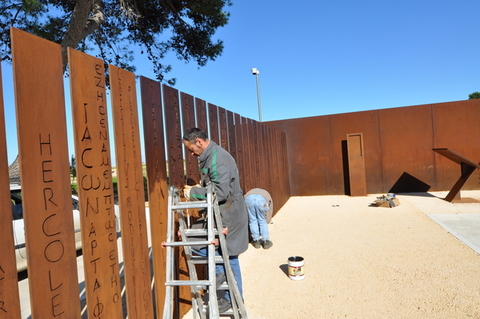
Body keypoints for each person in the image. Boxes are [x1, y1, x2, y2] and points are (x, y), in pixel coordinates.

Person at [182, 127, 249, 312]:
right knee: (210, 248)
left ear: (199, 142)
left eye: (191, 149)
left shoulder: (217, 159)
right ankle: (227, 289)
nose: (191, 153)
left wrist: (194, 192)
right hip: (224, 213)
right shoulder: (212, 155)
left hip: (228, 215)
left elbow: (220, 192)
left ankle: (233, 299)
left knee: (228, 255)